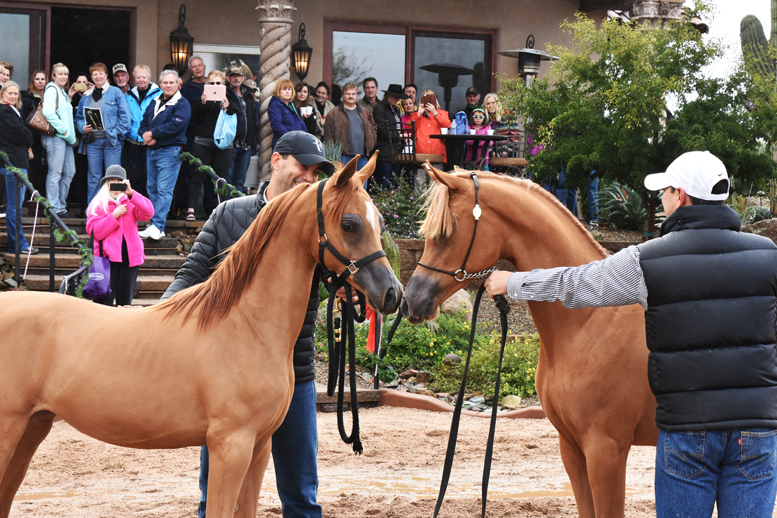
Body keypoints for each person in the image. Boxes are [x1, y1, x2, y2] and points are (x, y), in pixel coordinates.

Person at [485, 150, 777, 518]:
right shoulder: (768, 255)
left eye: (666, 192)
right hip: (756, 431)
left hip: (689, 430)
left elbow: (577, 283)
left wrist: (513, 281)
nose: (662, 200)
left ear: (682, 196)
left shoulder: (648, 259)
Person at [160, 131, 335, 518]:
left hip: (293, 370)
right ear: (276, 161)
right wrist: (158, 323)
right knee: (217, 495)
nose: (309, 177)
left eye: (316, 172)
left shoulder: (318, 227)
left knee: (302, 495)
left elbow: (336, 275)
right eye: (302, 167)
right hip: (228, 380)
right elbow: (191, 274)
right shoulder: (230, 214)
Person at [85, 165, 153, 306]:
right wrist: (114, 216)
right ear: (107, 184)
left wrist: (132, 193)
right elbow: (95, 233)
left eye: (119, 183)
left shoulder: (130, 202)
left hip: (130, 257)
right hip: (106, 258)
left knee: (125, 302)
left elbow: (149, 213)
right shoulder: (98, 204)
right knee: (103, 303)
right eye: (113, 183)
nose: (116, 187)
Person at [138, 69, 191, 241]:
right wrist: (146, 135)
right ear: (160, 84)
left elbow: (175, 126)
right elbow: (143, 123)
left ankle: (158, 225)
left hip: (170, 151)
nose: (168, 85)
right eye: (165, 82)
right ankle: (155, 224)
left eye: (171, 82)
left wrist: (152, 134)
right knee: (152, 188)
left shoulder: (182, 104)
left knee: (164, 189)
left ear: (177, 84)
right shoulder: (154, 101)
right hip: (152, 151)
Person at [75, 62, 131, 204]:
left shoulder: (116, 92)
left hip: (111, 141)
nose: (98, 76)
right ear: (92, 78)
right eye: (95, 74)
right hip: (93, 141)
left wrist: (115, 132)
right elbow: (78, 118)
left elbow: (125, 118)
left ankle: (115, 206)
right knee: (94, 176)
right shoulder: (86, 95)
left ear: (106, 76)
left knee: (114, 176)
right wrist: (82, 128)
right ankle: (94, 209)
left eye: (101, 73)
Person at [187, 70, 234, 221]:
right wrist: (202, 103)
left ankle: (222, 211)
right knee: (198, 175)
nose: (215, 86)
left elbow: (237, 120)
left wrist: (227, 109)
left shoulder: (231, 98)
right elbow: (193, 118)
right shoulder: (201, 99)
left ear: (224, 84)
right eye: (212, 83)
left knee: (222, 178)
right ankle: (191, 208)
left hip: (223, 144)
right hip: (203, 140)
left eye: (218, 83)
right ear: (207, 85)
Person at [0, 80, 38, 254]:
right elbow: (22, 135)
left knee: (15, 204)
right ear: (2, 94)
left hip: (16, 162)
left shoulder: (10, 109)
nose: (14, 96)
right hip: (13, 164)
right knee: (15, 205)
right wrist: (29, 136)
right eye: (10, 93)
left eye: (16, 94)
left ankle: (19, 243)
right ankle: (19, 244)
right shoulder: (4, 111)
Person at [41, 63, 78, 217]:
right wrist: (63, 129)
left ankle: (60, 206)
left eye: (66, 74)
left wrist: (69, 97)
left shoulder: (61, 92)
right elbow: (48, 112)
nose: (63, 77)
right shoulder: (51, 89)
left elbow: (62, 111)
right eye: (60, 74)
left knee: (70, 171)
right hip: (56, 137)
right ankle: (54, 208)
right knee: (55, 172)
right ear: (53, 76)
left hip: (66, 139)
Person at [125, 65, 162, 197]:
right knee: (135, 175)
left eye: (144, 77)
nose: (141, 80)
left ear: (150, 78)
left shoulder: (159, 93)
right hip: (133, 140)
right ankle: (137, 205)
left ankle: (149, 206)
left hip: (151, 140)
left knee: (150, 175)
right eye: (138, 77)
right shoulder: (128, 95)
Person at [323, 82, 376, 171]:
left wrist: (371, 143)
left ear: (356, 95)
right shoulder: (333, 113)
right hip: (342, 158)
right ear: (343, 95)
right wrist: (334, 156)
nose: (351, 96)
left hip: (362, 157)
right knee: (344, 184)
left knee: (361, 185)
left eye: (353, 94)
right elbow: (328, 136)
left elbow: (374, 128)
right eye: (348, 94)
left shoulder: (365, 112)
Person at [225, 62, 258, 195]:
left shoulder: (249, 95)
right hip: (230, 144)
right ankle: (227, 209)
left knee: (240, 181)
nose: (236, 78)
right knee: (228, 180)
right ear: (228, 78)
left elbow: (253, 121)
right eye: (233, 76)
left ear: (243, 78)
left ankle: (237, 210)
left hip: (246, 145)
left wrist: (253, 143)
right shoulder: (224, 93)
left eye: (239, 76)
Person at [372, 83, 408, 190]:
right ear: (387, 95)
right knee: (383, 182)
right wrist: (400, 135)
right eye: (393, 96)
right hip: (384, 152)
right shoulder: (379, 108)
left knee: (393, 183)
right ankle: (381, 206)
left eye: (398, 97)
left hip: (396, 152)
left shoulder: (396, 110)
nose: (396, 99)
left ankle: (391, 205)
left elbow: (398, 127)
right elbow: (381, 130)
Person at [20, 70, 48, 197]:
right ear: (33, 81)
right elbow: (22, 120)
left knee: (46, 170)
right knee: (34, 169)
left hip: (49, 137)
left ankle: (44, 199)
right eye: (37, 79)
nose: (40, 81)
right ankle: (32, 200)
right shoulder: (27, 98)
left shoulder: (51, 96)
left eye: (43, 79)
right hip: (34, 139)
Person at [413, 90, 450, 163]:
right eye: (425, 98)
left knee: (436, 174)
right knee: (420, 174)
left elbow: (447, 125)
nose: (428, 102)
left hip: (437, 154)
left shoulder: (442, 113)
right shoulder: (416, 115)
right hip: (420, 156)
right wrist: (419, 114)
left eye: (430, 98)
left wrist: (435, 113)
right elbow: (409, 128)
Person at [268, 78, 306, 150]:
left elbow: (299, 123)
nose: (287, 92)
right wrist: (290, 137)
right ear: (278, 91)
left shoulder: (291, 105)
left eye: (289, 89)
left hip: (295, 143)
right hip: (284, 145)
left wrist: (306, 137)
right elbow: (276, 124)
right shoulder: (276, 104)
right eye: (284, 89)